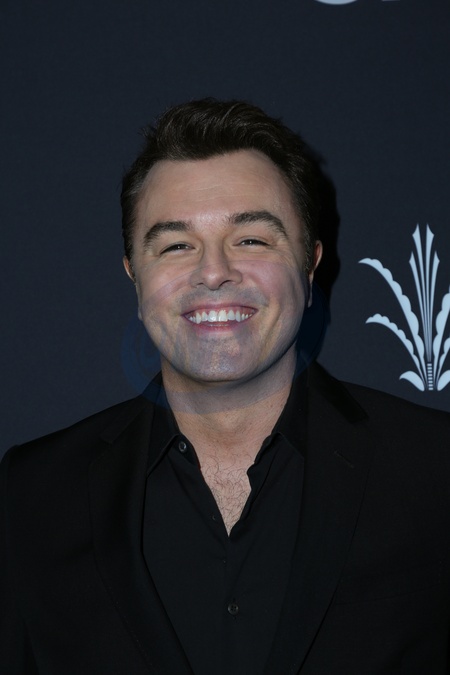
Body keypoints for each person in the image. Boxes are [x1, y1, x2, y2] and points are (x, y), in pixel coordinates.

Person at [1, 99, 449, 675]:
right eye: (176, 245)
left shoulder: (435, 470)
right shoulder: (32, 496)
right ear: (135, 276)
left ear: (310, 266)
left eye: (252, 240)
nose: (213, 272)